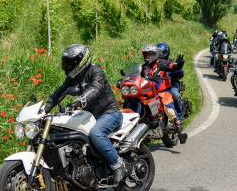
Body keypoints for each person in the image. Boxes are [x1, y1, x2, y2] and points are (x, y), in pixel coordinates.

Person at [42, 44, 125, 183]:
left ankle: (117, 164)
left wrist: (77, 103)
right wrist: (44, 109)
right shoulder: (72, 78)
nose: (68, 66)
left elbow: (95, 89)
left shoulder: (95, 71)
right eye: (66, 63)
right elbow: (60, 92)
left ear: (82, 60)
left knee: (96, 134)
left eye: (71, 63)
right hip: (89, 114)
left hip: (109, 113)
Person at [141, 44, 187, 143]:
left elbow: (173, 67)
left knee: (169, 109)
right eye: (146, 55)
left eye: (150, 55)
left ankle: (179, 131)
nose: (148, 57)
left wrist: (179, 64)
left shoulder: (161, 63)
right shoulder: (143, 67)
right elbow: (136, 75)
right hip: (149, 93)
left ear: (154, 55)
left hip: (163, 92)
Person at [157, 42, 185, 124]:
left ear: (166, 52)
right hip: (157, 84)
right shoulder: (154, 62)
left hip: (171, 83)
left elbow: (180, 72)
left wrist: (178, 66)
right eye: (158, 52)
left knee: (175, 94)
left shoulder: (171, 62)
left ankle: (180, 116)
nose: (160, 54)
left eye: (162, 52)